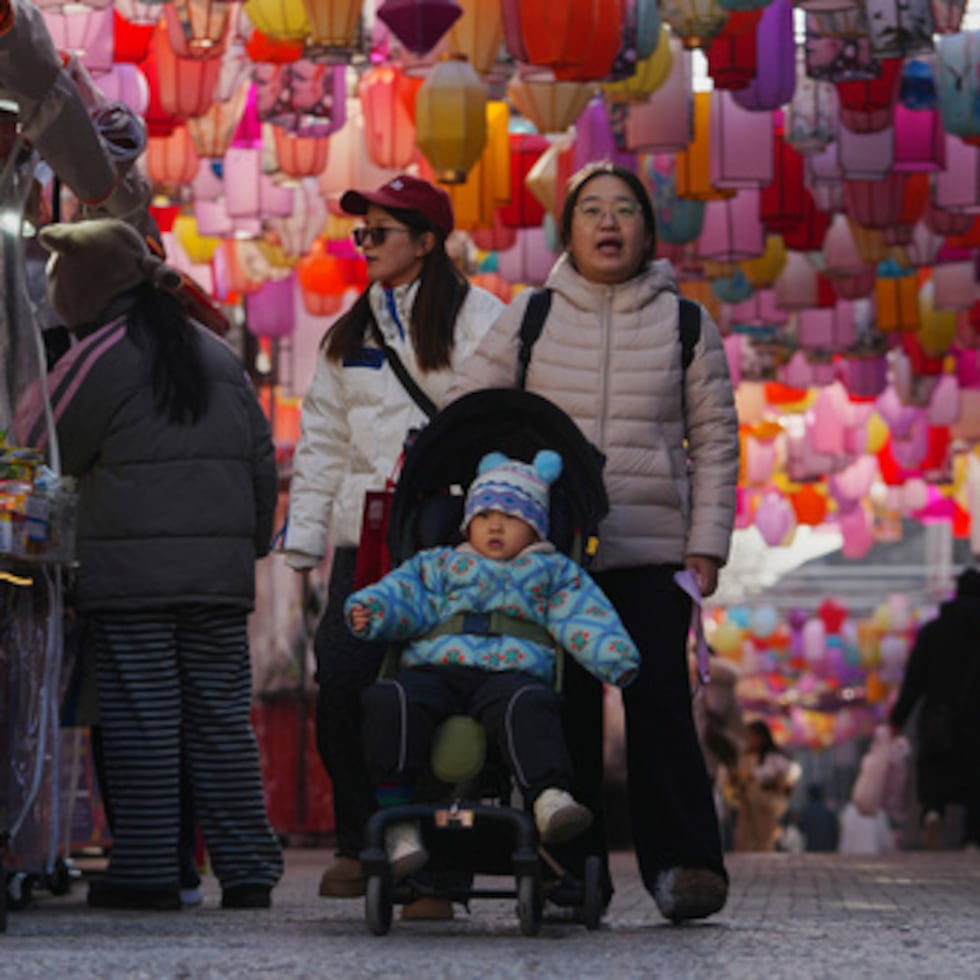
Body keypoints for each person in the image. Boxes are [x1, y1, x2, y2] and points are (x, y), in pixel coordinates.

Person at [445, 161, 740, 921]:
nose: (609, 224)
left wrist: (706, 546)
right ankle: (569, 874)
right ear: (568, 230)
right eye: (592, 211)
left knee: (660, 706)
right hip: (550, 554)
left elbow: (714, 442)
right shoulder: (532, 315)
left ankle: (684, 868)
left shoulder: (686, 324)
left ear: (648, 229)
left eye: (625, 211)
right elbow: (469, 409)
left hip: (649, 554)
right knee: (558, 709)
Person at [14, 217, 283, 910]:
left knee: (145, 718)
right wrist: (246, 547)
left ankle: (150, 869)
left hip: (132, 581)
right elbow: (260, 462)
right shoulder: (212, 350)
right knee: (221, 719)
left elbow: (39, 444)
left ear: (81, 287)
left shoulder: (98, 356)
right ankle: (249, 867)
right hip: (218, 581)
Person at [281, 175, 504, 900]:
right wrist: (304, 543)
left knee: (443, 688)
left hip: (455, 541)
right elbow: (321, 441)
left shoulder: (484, 321)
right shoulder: (350, 332)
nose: (366, 245)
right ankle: (363, 841)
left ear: (428, 242)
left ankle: (441, 864)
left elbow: (502, 425)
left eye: (380, 232)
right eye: (361, 233)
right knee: (342, 679)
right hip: (366, 539)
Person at [345, 450, 640, 876]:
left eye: (511, 517)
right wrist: (371, 611)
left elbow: (583, 614)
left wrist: (614, 656)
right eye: (484, 517)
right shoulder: (440, 564)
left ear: (536, 526)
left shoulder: (551, 570)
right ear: (468, 524)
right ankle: (401, 820)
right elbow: (403, 595)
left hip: (509, 674)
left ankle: (547, 797)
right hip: (437, 668)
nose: (496, 526)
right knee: (391, 699)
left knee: (530, 706)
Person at [889, 567, 980, 850]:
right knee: (976, 778)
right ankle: (972, 838)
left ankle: (932, 812)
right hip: (977, 719)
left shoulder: (933, 632)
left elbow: (914, 680)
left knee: (935, 771)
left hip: (938, 716)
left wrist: (898, 718)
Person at [730, 719, 800, 853]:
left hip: (764, 804)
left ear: (761, 737)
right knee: (743, 836)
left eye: (752, 736)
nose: (749, 740)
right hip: (745, 804)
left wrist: (754, 776)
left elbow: (783, 772)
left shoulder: (773, 756)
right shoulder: (745, 755)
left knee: (764, 838)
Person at [798, 784, 840, 853]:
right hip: (827, 849)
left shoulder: (806, 811)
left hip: (811, 847)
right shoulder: (828, 811)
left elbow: (801, 828)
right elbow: (835, 831)